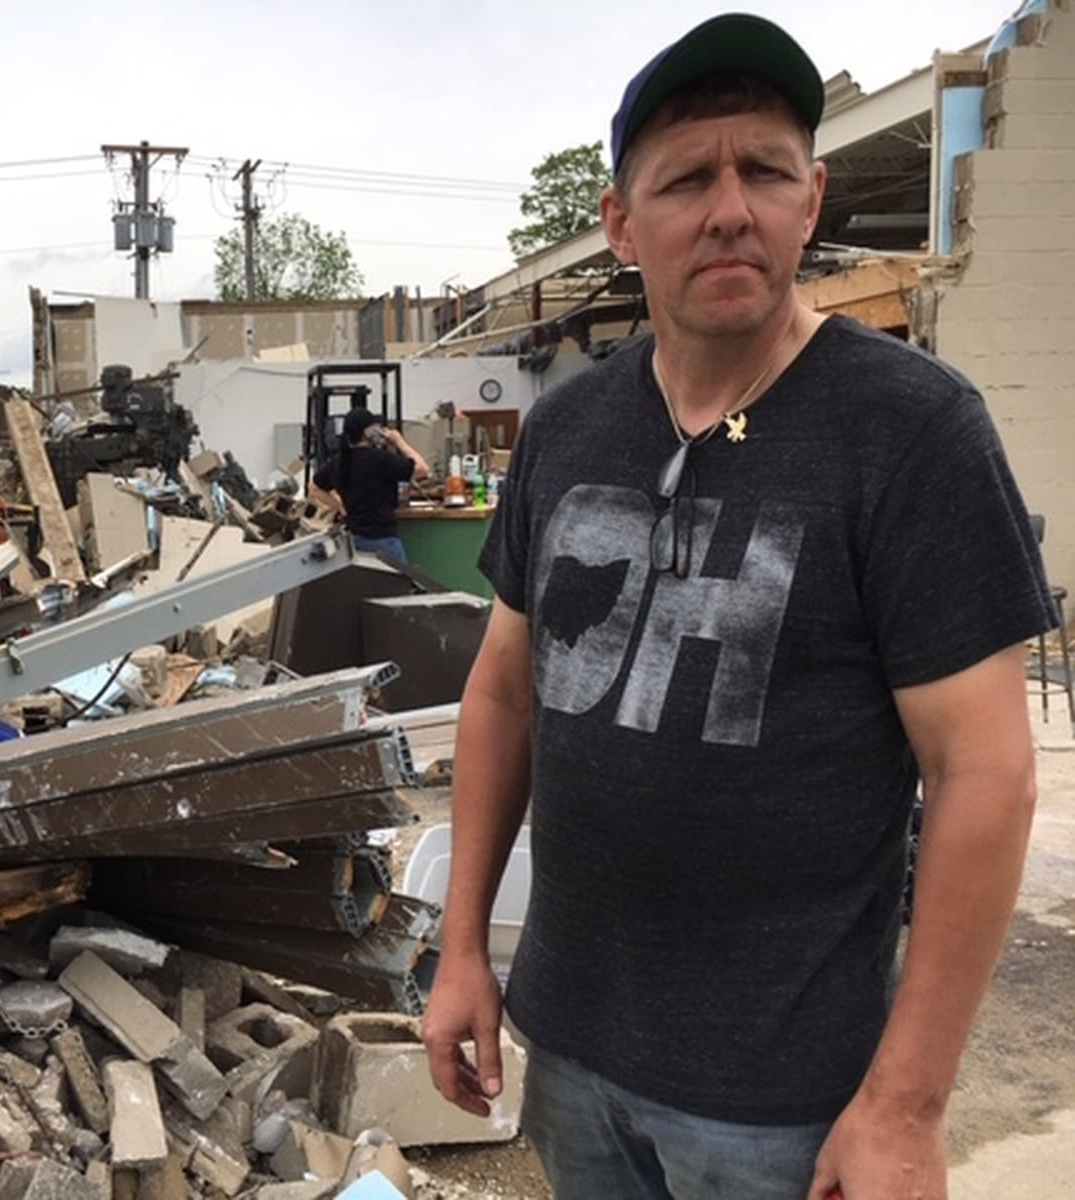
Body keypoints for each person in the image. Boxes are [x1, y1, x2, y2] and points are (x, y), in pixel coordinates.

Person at [420, 13, 1056, 1200]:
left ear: (809, 200)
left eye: (762, 170)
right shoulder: (568, 426)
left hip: (786, 1100)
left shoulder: (910, 432)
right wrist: (461, 951)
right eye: (685, 179)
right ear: (620, 224)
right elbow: (503, 691)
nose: (730, 208)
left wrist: (905, 1105)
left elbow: (986, 774)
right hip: (570, 1049)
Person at [312, 406, 429, 562]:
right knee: (397, 585)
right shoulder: (381, 459)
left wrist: (340, 506)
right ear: (369, 432)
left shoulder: (338, 462)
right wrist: (399, 441)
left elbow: (315, 488)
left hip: (354, 543)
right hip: (384, 540)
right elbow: (422, 469)